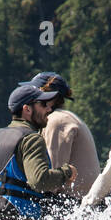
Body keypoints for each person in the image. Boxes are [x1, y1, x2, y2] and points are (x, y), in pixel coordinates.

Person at [0, 82, 77, 220]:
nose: (49, 109)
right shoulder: (31, 139)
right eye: (43, 104)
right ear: (27, 109)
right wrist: (66, 172)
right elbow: (39, 181)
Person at [32, 72, 100, 200]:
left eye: (33, 95)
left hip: (75, 203)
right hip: (78, 201)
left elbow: (51, 180)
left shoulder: (57, 121)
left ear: (49, 98)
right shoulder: (62, 118)